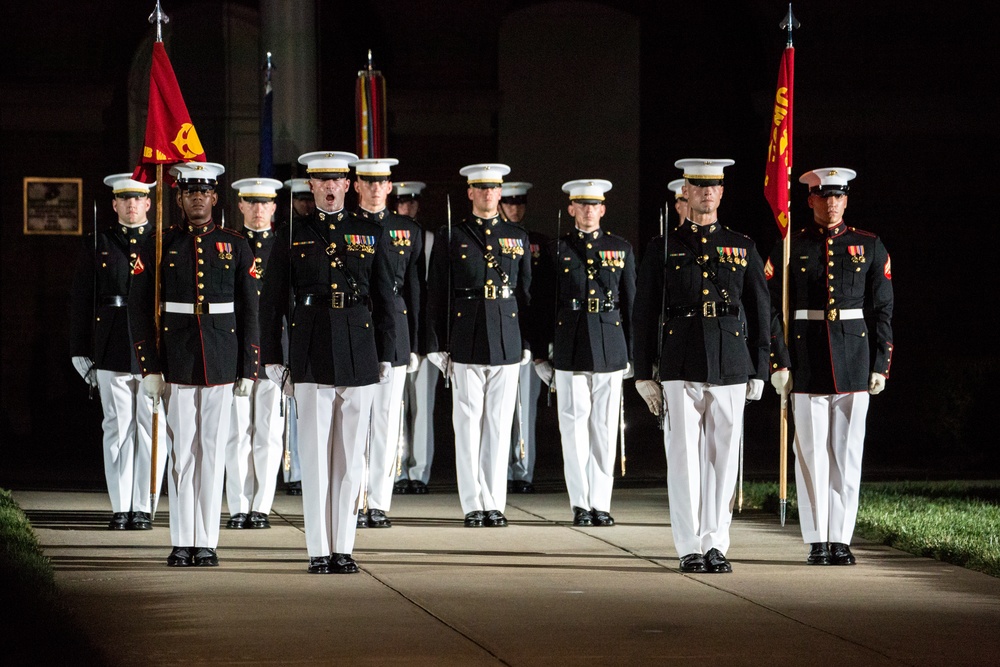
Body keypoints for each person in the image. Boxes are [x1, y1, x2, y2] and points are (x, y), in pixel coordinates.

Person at [258, 150, 396, 574]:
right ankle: (319, 548)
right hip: (311, 346)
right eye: (323, 181)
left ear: (348, 184)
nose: (332, 188)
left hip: (358, 347)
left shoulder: (368, 232)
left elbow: (387, 298)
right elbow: (272, 303)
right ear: (311, 186)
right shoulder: (291, 234)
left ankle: (344, 548)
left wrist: (387, 354)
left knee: (352, 457)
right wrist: (273, 359)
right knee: (315, 457)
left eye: (338, 180)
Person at [632, 158, 770, 574]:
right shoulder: (663, 248)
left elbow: (760, 309)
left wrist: (760, 368)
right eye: (698, 185)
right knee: (683, 457)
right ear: (685, 193)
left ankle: (716, 543)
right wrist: (643, 373)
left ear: (722, 192)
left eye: (714, 186)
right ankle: (688, 544)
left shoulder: (741, 245)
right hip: (680, 357)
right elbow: (643, 313)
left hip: (730, 358)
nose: (707, 192)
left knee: (723, 458)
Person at [129, 161, 260, 567]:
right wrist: (149, 366)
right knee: (181, 452)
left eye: (204, 192)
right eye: (189, 192)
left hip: (221, 358)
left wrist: (248, 368)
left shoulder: (235, 244)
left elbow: (251, 310)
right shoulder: (158, 242)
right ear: (179, 198)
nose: (197, 198)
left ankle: (207, 540)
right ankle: (181, 539)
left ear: (215, 197)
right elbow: (138, 307)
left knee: (212, 451)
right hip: (178, 359)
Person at [767, 167, 893, 566]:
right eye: (825, 196)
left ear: (846, 199)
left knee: (847, 454)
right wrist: (779, 361)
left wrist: (881, 362)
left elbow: (883, 308)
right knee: (810, 454)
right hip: (806, 359)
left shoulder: (869, 245)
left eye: (839, 196)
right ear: (811, 200)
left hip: (854, 360)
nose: (833, 203)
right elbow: (771, 308)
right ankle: (817, 538)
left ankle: (841, 537)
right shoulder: (791, 245)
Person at [425, 163, 532, 528]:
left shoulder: (516, 236)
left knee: (500, 426)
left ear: (500, 193)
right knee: (468, 424)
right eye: (481, 188)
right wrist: (437, 342)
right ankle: (473, 502)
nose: (488, 194)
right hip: (466, 333)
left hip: (506, 335)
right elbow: (437, 290)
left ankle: (495, 502)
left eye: (494, 188)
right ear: (470, 193)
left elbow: (526, 294)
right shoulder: (453, 234)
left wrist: (528, 342)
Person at [532, 179, 636, 526]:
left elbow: (631, 304)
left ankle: (601, 501)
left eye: (595, 205)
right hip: (570, 342)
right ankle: (580, 502)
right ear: (571, 209)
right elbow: (543, 303)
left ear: (603, 209)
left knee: (605, 428)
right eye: (582, 204)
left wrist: (633, 353)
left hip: (609, 343)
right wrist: (538, 354)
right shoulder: (555, 250)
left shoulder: (620, 249)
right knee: (573, 427)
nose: (589, 210)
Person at [69, 173, 169, 531]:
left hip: (150, 346)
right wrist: (79, 348)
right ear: (114, 204)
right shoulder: (100, 243)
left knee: (149, 427)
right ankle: (121, 504)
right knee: (116, 427)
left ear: (148, 204)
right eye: (123, 199)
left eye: (137, 199)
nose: (130, 205)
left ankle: (143, 504)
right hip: (110, 342)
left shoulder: (161, 243)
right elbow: (82, 298)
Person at [351, 158, 423, 529]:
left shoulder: (405, 230)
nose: (376, 188)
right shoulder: (347, 227)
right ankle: (353, 497)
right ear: (357, 185)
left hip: (394, 332)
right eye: (369, 181)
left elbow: (413, 288)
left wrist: (416, 344)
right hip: (356, 327)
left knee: (386, 423)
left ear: (390, 188)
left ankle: (377, 501)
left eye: (382, 182)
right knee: (355, 423)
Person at [223, 177, 285, 529]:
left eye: (265, 203)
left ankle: (261, 505)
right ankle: (238, 505)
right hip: (236, 353)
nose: (259, 209)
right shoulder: (229, 245)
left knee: (268, 433)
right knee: (236, 434)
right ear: (241, 206)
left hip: (273, 350)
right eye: (252, 202)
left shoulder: (283, 246)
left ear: (274, 207)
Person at [500, 181, 545, 495]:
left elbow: (539, 295)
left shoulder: (539, 242)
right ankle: (500, 471)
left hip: (528, 332)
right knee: (500, 410)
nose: (515, 209)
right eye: (510, 203)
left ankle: (523, 471)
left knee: (526, 408)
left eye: (519, 204)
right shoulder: (490, 239)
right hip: (501, 330)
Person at [393, 181, 438, 495]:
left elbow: (432, 295)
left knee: (422, 406)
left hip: (423, 336)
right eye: (401, 202)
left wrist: (429, 343)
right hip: (397, 333)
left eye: (411, 203)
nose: (407, 208)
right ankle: (397, 468)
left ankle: (419, 471)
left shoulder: (431, 239)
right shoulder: (387, 237)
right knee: (395, 407)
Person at [280, 177, 314, 497]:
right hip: (288, 322)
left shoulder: (318, 233)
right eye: (300, 199)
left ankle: (306, 469)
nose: (305, 204)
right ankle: (293, 470)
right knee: (290, 403)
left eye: (308, 198)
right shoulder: (286, 234)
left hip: (309, 322)